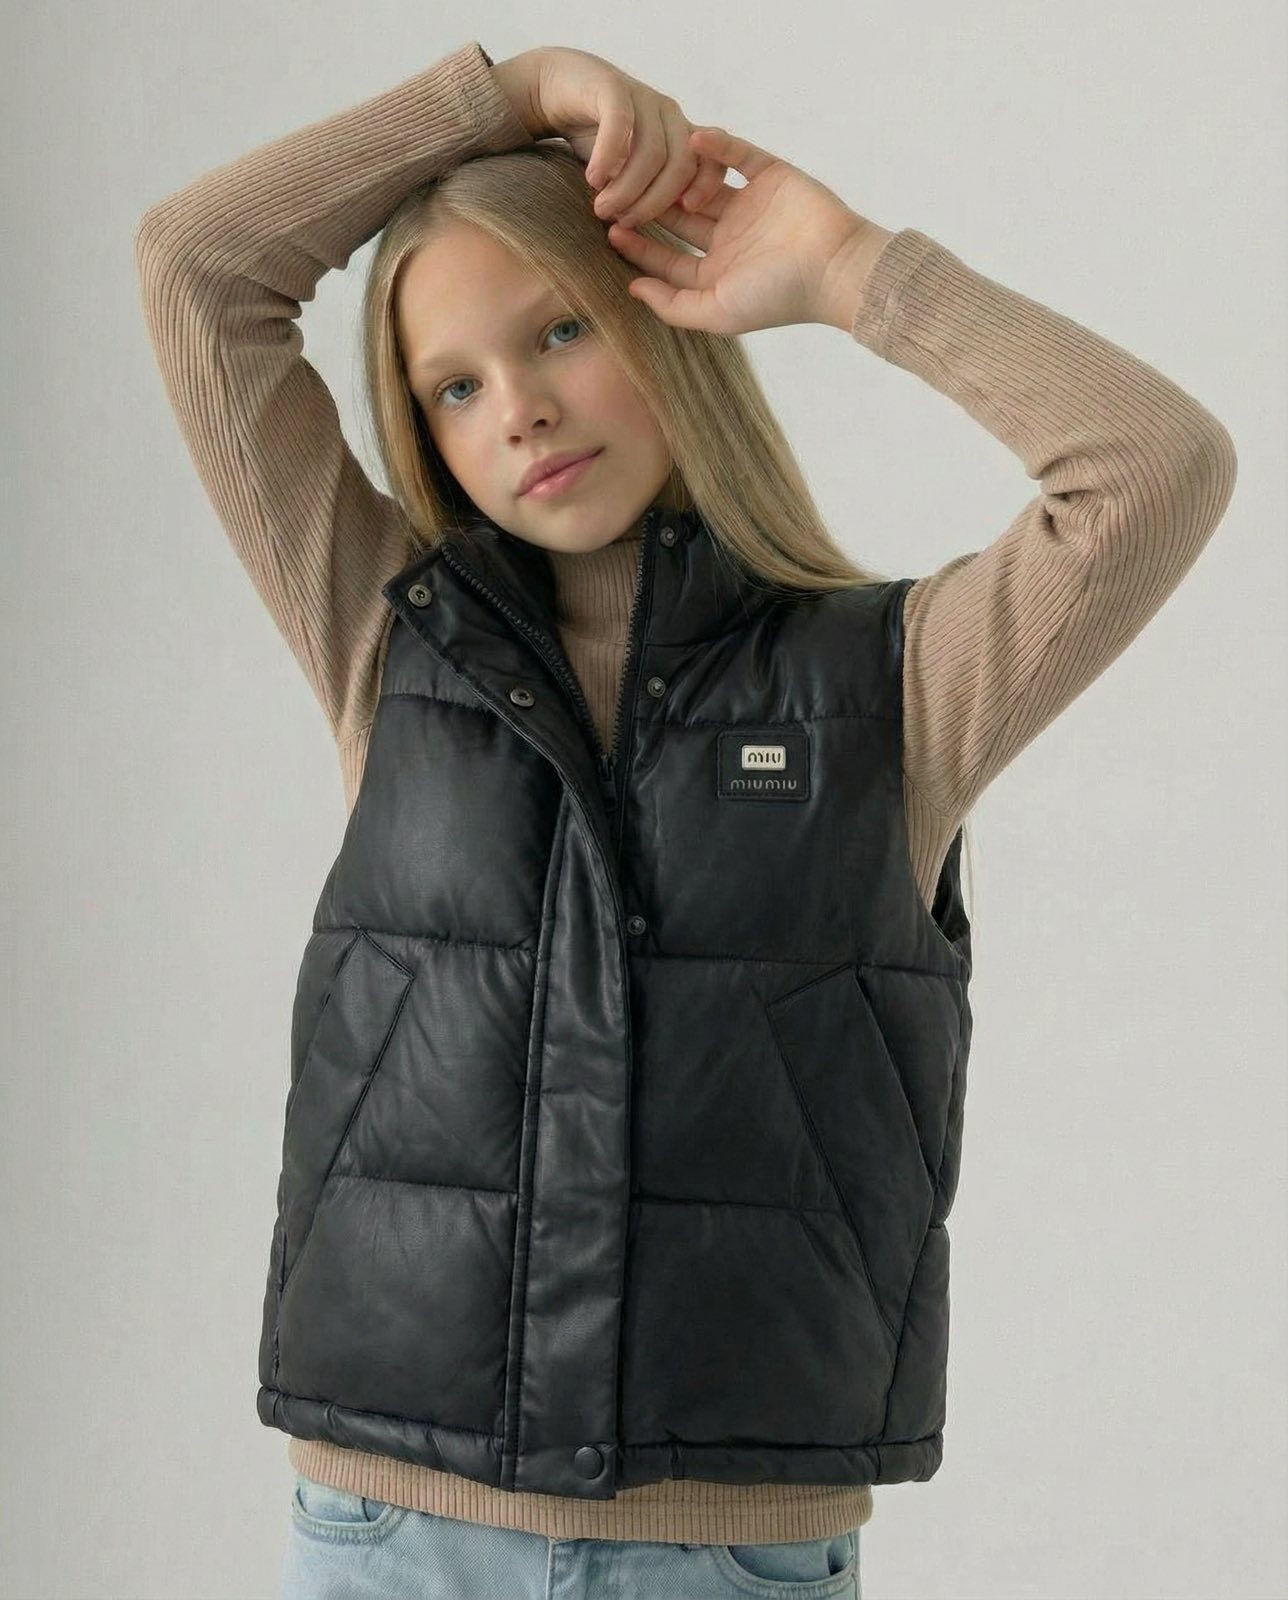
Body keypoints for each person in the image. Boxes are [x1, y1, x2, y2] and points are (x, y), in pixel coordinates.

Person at [132, 38, 1237, 1600]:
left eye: (560, 329)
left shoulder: (890, 685)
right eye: (456, 386)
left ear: (666, 314)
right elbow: (197, 270)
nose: (520, 410)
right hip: (393, 1537)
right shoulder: (388, 636)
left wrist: (853, 274)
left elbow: (1154, 468)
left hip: (720, 1554)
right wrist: (505, 97)